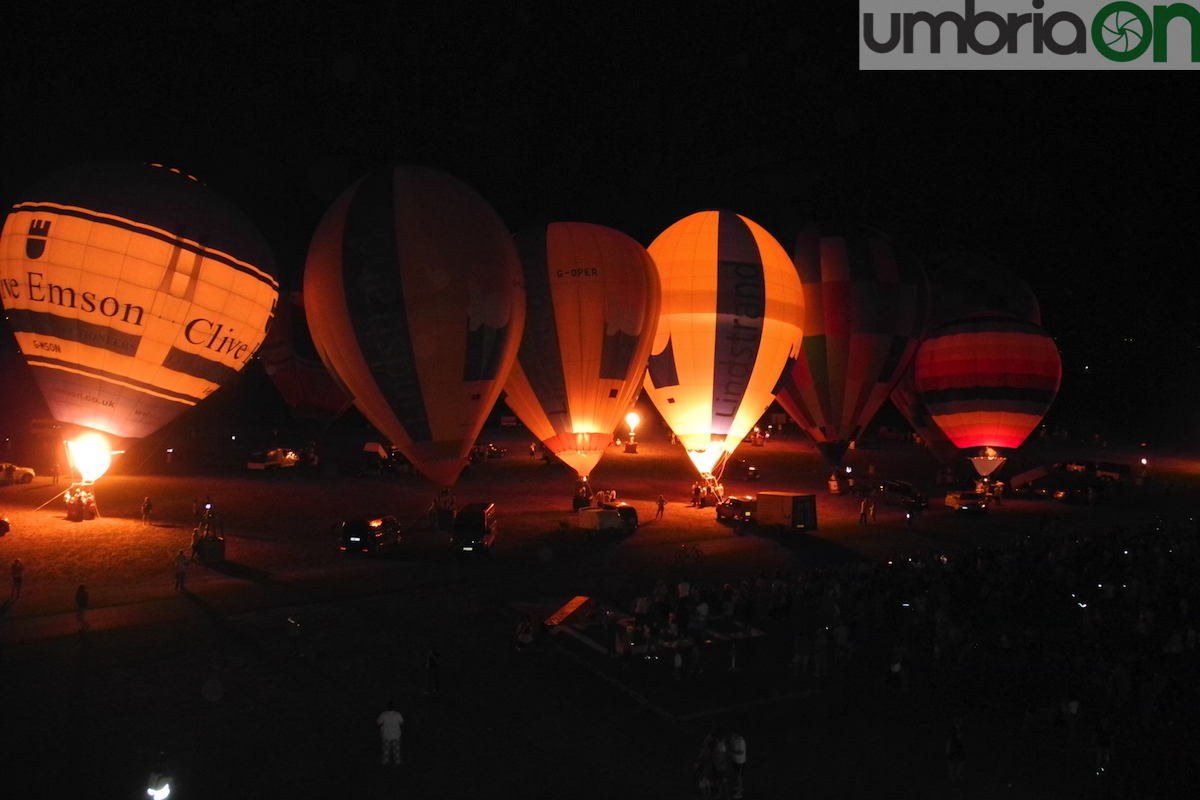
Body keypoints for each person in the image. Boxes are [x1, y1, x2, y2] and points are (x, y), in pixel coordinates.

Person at [377, 700, 404, 765]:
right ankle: (397, 763)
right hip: (396, 735)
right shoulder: (397, 714)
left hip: (386, 735)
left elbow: (378, 723)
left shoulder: (383, 715)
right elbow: (402, 723)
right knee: (396, 751)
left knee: (386, 751)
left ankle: (385, 763)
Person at [728, 729, 746, 799]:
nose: (733, 735)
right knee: (736, 774)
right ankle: (739, 787)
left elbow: (741, 752)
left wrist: (731, 752)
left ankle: (739, 793)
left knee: (739, 777)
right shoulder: (734, 738)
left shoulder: (741, 741)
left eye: (734, 734)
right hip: (735, 760)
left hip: (740, 761)